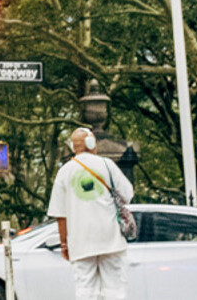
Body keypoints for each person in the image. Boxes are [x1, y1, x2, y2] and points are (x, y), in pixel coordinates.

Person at [48, 128, 133, 300]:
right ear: (91, 143)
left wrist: (64, 244)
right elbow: (128, 194)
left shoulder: (64, 171)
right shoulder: (107, 165)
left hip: (81, 242)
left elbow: (60, 213)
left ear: (73, 147)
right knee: (115, 290)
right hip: (111, 240)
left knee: (85, 291)